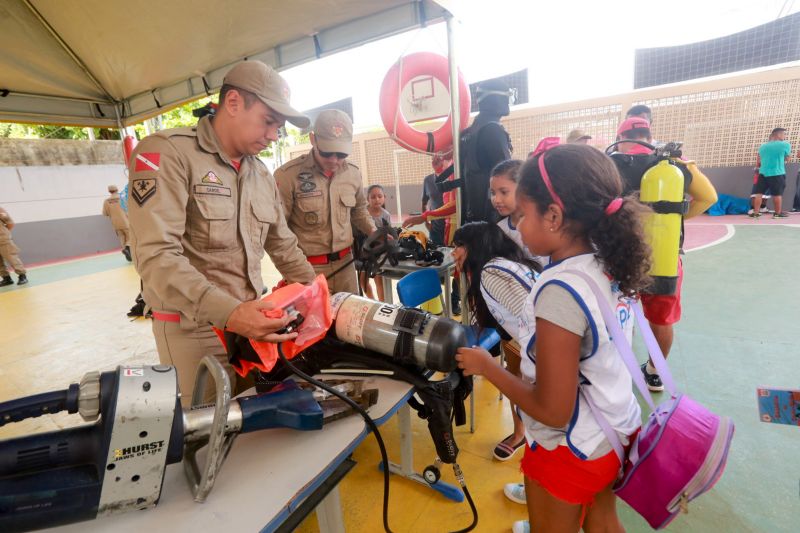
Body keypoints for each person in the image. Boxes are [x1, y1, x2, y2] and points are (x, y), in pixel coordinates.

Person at [456, 144, 650, 533]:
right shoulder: (606, 262)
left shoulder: (560, 289)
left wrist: (488, 367)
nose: (517, 228)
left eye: (522, 215)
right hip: (617, 428)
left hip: (571, 447)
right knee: (603, 521)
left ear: (554, 216)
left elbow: (552, 411)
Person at [128, 60, 316, 405]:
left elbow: (284, 246)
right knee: (201, 440)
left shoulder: (260, 173)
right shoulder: (167, 153)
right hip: (193, 330)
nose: (275, 134)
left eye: (280, 126)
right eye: (269, 121)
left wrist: (320, 298)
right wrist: (231, 313)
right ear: (232, 104)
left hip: (249, 327)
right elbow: (156, 257)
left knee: (245, 428)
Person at [613, 117, 717, 391]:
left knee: (618, 310)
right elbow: (709, 197)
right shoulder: (676, 165)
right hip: (664, 256)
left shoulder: (609, 164)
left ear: (622, 138)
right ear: (649, 137)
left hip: (619, 254)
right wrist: (673, 221)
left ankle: (617, 366)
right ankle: (655, 372)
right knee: (661, 318)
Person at [452, 222, 540, 466]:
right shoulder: (501, 266)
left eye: (459, 246)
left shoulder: (492, 272)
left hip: (547, 359)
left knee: (545, 426)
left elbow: (539, 323)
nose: (453, 252)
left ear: (476, 247)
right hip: (536, 352)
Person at [276, 110, 375, 294]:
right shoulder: (288, 176)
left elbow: (359, 210)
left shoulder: (353, 174)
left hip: (346, 266)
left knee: (349, 322)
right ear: (313, 139)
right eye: (328, 152)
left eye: (341, 154)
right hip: (307, 270)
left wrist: (375, 232)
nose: (334, 160)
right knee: (314, 323)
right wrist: (295, 273)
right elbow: (277, 231)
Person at [441, 79, 513, 225]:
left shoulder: (468, 133)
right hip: (493, 221)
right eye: (509, 95)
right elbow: (509, 178)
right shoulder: (493, 131)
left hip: (471, 218)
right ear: (497, 99)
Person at [357, 184, 391, 300]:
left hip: (379, 254)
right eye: (373, 197)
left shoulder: (386, 215)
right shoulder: (362, 215)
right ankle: (372, 302)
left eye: (379, 196)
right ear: (368, 199)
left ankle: (382, 305)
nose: (377, 199)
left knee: (379, 281)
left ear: (384, 197)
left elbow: (388, 235)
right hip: (364, 253)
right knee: (363, 281)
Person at [753, 128, 792, 219]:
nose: (784, 136)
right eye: (783, 134)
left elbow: (760, 160)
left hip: (763, 173)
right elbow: (787, 159)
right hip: (777, 173)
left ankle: (756, 213)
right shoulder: (785, 144)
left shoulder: (762, 146)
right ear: (778, 135)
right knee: (777, 194)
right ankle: (777, 214)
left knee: (759, 194)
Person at [102, 184, 132, 261]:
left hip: (115, 224)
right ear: (117, 190)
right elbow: (130, 209)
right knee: (130, 237)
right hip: (126, 221)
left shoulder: (106, 201)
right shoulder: (123, 198)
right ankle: (127, 248)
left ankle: (126, 252)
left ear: (109, 191)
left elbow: (105, 213)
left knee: (122, 238)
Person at [0, 205, 28, 287]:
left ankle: (22, 276)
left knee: (12, 258)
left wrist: (4, 234)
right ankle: (6, 278)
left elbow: (10, 223)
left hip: (3, 240)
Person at [421, 158, 446, 246]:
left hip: (451, 225)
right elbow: (424, 201)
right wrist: (426, 222)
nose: (435, 158)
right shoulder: (428, 180)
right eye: (432, 157)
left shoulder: (454, 177)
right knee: (436, 254)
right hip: (435, 227)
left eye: (439, 155)